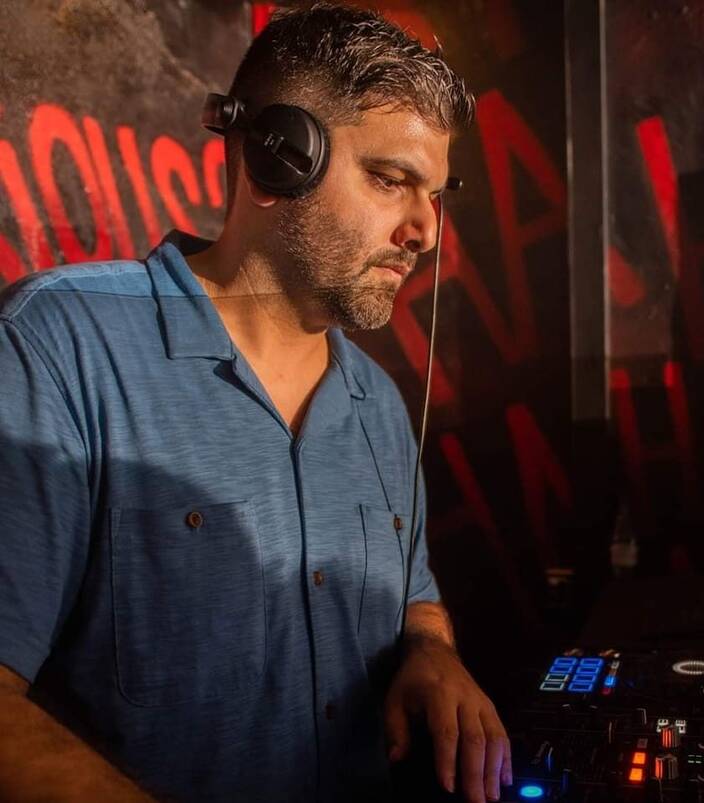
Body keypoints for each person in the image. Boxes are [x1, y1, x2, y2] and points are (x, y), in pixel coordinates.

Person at [0, 3, 512, 802]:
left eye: (436, 195)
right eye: (391, 180)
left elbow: (415, 597)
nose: (426, 230)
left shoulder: (379, 406)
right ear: (278, 160)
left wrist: (430, 651)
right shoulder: (60, 346)